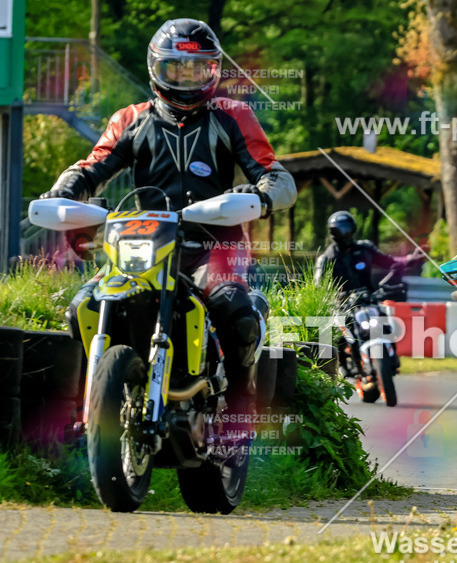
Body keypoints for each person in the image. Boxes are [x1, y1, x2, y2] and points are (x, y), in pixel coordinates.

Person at [40, 18, 297, 414]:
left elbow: (275, 175)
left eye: (198, 69)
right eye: (176, 68)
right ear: (155, 67)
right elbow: (90, 169)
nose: (187, 78)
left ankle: (240, 409)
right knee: (83, 308)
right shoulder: (130, 119)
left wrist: (260, 196)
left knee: (235, 311)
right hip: (143, 244)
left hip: (214, 244)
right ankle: (84, 409)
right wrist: (64, 192)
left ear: (214, 70)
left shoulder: (233, 115)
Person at [313, 211, 424, 297]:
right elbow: (318, 290)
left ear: (353, 229)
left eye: (347, 229)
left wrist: (410, 259)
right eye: (339, 230)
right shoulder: (326, 259)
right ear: (332, 232)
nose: (344, 233)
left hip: (369, 303)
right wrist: (338, 298)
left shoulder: (364, 249)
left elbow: (388, 261)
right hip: (340, 309)